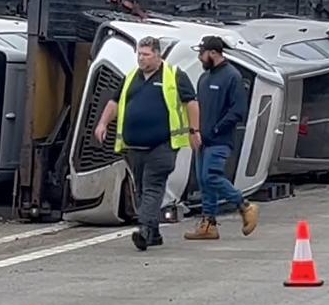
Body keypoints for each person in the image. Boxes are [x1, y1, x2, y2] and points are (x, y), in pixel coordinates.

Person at [95, 36, 200, 251]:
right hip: (134, 146)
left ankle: (143, 229)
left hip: (163, 144)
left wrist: (194, 130)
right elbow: (115, 101)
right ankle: (154, 233)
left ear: (158, 54)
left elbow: (191, 102)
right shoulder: (131, 77)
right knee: (141, 189)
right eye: (139, 54)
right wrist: (103, 123)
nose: (141, 59)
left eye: (146, 54)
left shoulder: (174, 76)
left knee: (152, 186)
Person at [184, 35, 258, 241]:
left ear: (213, 53)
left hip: (220, 140)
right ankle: (208, 224)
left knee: (211, 176)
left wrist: (217, 130)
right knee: (204, 181)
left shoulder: (232, 76)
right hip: (203, 140)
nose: (200, 57)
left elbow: (237, 110)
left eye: (202, 53)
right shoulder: (204, 78)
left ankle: (245, 205)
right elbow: (198, 107)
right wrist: (195, 131)